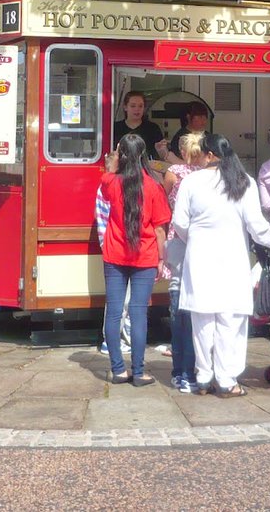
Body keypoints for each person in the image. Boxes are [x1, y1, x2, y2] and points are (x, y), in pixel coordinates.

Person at [172, 133, 270, 397]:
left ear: (208, 155)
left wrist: (195, 238)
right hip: (232, 257)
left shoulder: (191, 182)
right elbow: (257, 226)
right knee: (231, 320)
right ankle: (226, 379)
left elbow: (180, 223)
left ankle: (203, 377)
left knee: (202, 320)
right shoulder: (243, 181)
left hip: (200, 257)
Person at [99, 133, 171, 386]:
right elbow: (160, 229)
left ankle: (118, 369)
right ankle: (139, 372)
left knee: (114, 312)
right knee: (139, 314)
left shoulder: (110, 182)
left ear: (121, 155)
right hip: (145, 255)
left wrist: (113, 164)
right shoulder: (154, 186)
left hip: (115, 254)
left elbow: (108, 182)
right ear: (143, 155)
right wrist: (162, 259)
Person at [160, 131, 205, 393]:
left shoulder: (174, 172)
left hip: (177, 237)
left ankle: (182, 372)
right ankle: (198, 368)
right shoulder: (207, 175)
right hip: (198, 240)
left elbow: (163, 201)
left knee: (178, 302)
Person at [113, 91, 167, 161]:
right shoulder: (115, 128)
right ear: (125, 107)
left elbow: (161, 156)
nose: (137, 109)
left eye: (140, 106)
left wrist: (161, 151)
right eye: (133, 106)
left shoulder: (153, 128)